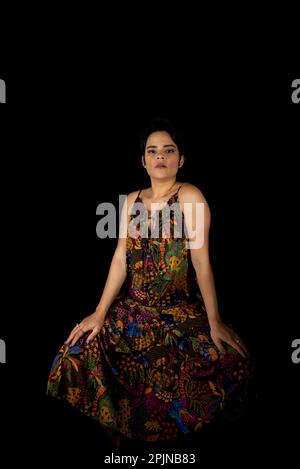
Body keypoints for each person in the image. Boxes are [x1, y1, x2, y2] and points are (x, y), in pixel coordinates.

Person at [46, 117, 254, 450]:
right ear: (143, 160)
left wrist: (214, 321)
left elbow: (201, 262)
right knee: (75, 354)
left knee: (233, 365)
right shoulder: (130, 201)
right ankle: (116, 440)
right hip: (133, 310)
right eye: (152, 151)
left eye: (168, 150)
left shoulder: (189, 196)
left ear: (180, 159)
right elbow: (119, 260)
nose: (160, 156)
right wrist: (99, 313)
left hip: (177, 312)